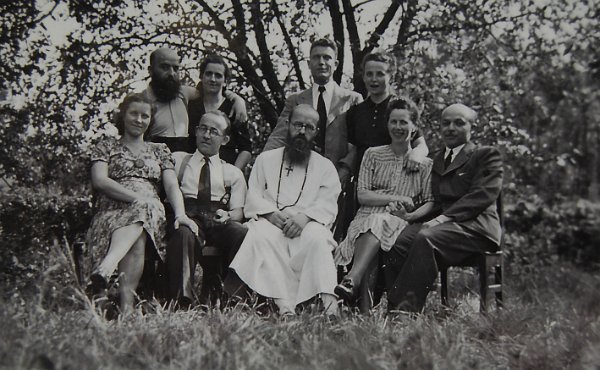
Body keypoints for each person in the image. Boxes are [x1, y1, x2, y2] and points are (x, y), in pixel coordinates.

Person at [384, 103, 504, 313]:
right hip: (446, 230)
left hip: (476, 229)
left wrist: (441, 220)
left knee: (425, 238)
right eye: (445, 123)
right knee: (399, 241)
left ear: (471, 128)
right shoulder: (439, 158)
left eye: (459, 123)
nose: (450, 128)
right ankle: (393, 308)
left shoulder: (485, 155)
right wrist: (410, 215)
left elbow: (480, 196)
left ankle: (405, 313)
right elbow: (437, 201)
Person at [86, 93, 198, 314]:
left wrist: (180, 214)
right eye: (134, 113)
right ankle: (126, 307)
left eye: (145, 116)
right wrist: (137, 198)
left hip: (150, 212)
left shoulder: (159, 150)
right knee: (140, 226)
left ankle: (107, 269)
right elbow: (100, 180)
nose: (139, 120)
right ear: (123, 115)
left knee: (144, 214)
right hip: (112, 210)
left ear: (150, 120)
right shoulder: (105, 146)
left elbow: (171, 186)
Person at [229, 104, 341, 318]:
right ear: (288, 125)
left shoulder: (325, 167)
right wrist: (270, 214)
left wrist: (305, 218)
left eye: (309, 127)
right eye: (298, 124)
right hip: (271, 221)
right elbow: (253, 194)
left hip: (308, 224)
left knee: (318, 240)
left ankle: (329, 306)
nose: (302, 131)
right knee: (260, 237)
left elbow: (328, 202)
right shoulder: (265, 159)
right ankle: (285, 307)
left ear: (316, 132)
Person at [333, 98, 435, 313]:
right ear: (387, 124)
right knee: (373, 223)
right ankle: (363, 308)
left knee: (378, 224)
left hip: (400, 221)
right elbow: (362, 195)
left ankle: (352, 281)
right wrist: (397, 197)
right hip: (365, 216)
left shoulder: (425, 165)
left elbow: (430, 201)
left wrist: (410, 215)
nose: (398, 128)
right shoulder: (373, 154)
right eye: (393, 122)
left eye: (404, 122)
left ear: (414, 126)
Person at [165, 111, 248, 307]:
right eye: (203, 129)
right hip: (187, 215)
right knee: (183, 232)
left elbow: (239, 211)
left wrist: (228, 215)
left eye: (213, 131)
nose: (206, 135)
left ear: (225, 139)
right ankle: (181, 300)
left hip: (217, 220)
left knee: (241, 233)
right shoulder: (178, 160)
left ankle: (232, 297)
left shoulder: (232, 172)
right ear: (195, 131)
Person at [263, 38, 362, 186]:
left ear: (335, 64)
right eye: (316, 57)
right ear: (309, 64)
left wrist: (345, 171)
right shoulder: (295, 100)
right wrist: (263, 163)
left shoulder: (352, 100)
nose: (321, 62)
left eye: (327, 57)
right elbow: (279, 137)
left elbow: (359, 143)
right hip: (299, 178)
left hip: (338, 178)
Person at [141, 47, 247, 161]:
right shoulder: (141, 103)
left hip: (184, 163)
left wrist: (238, 100)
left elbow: (212, 89)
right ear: (150, 70)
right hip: (155, 159)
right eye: (164, 67)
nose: (171, 73)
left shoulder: (184, 93)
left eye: (176, 68)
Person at [188, 54, 252, 171]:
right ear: (201, 76)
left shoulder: (234, 108)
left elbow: (246, 149)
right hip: (193, 170)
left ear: (225, 81)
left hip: (224, 169)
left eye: (218, 76)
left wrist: (232, 174)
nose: (212, 79)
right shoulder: (190, 106)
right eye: (208, 74)